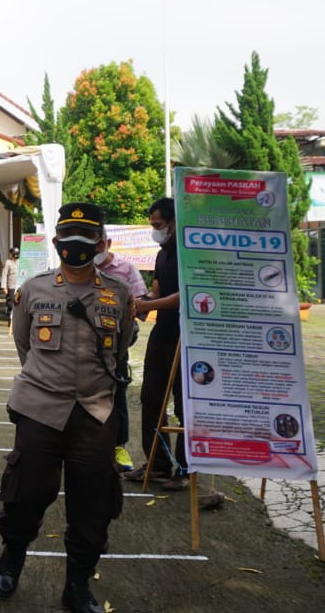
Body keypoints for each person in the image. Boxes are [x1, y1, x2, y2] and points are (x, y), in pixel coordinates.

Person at [0, 202, 134, 613]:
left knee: (93, 504)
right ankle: (13, 555)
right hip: (40, 409)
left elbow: (119, 349)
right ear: (56, 242)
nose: (77, 244)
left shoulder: (119, 295)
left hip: (95, 412)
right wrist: (46, 383)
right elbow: (24, 344)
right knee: (25, 493)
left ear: (102, 243)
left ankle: (77, 585)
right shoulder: (32, 290)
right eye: (69, 236)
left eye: (87, 238)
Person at [128, 197, 188, 492]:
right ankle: (157, 462)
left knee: (184, 404)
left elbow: (185, 296)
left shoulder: (187, 253)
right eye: (152, 225)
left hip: (185, 336)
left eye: (158, 225)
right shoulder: (163, 253)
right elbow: (158, 290)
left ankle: (185, 469)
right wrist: (141, 304)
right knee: (151, 397)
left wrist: (146, 305)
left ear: (175, 221)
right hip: (162, 333)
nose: (155, 230)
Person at [92, 237, 147, 473]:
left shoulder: (125, 270)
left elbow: (141, 304)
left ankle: (119, 446)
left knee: (118, 393)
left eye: (98, 245)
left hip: (116, 344)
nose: (94, 251)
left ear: (107, 243)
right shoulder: (78, 269)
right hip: (83, 345)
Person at [1, 247, 21, 318]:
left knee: (19, 302)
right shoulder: (8, 262)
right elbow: (4, 275)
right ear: (11, 254)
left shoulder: (20, 261)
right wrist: (4, 287)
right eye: (14, 254)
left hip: (19, 285)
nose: (16, 255)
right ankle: (10, 317)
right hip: (11, 286)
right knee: (11, 303)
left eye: (17, 254)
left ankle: (17, 317)